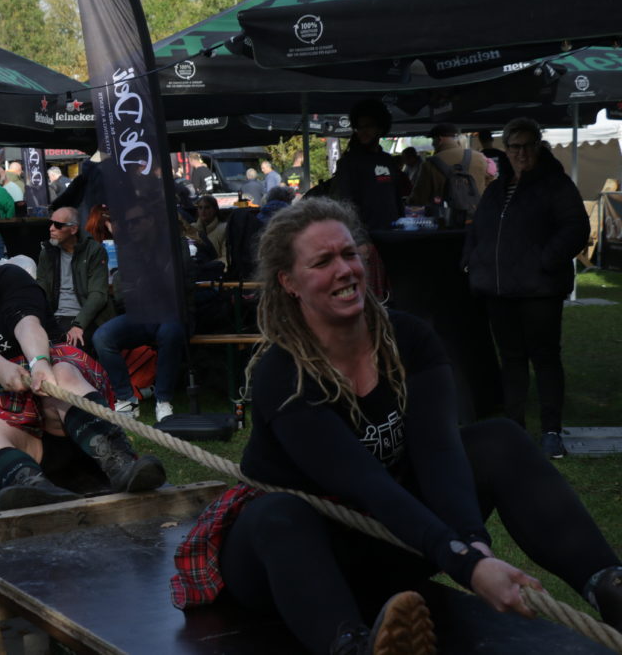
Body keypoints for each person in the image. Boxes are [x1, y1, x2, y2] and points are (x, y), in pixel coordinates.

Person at [170, 198, 622, 654]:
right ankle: (351, 646)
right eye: (322, 262)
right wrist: (464, 565)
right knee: (280, 513)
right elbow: (364, 483)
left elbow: (439, 455)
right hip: (288, 563)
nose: (344, 270)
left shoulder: (409, 340)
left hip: (383, 541)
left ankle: (609, 586)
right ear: (289, 282)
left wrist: (473, 548)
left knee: (498, 441)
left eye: (349, 254)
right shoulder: (283, 375)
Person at [0, 226, 165, 510]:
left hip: (65, 410)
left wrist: (39, 363)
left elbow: (26, 321)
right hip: (15, 424)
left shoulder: (8, 276)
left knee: (62, 373)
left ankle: (119, 464)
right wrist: (1, 368)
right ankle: (29, 485)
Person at [462, 118, 590, 459]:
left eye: (528, 145)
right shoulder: (498, 188)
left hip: (540, 290)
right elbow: (479, 228)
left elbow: (576, 227)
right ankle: (514, 429)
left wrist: (545, 260)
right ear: (506, 149)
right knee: (512, 360)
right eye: (515, 146)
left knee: (545, 359)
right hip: (500, 291)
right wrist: (473, 259)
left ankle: (551, 432)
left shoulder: (556, 184)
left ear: (538, 146)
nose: (522, 153)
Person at [92, 202, 186, 423]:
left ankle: (163, 399)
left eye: (136, 221)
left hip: (171, 312)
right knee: (102, 337)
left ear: (151, 221)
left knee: (170, 332)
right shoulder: (129, 250)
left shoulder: (174, 245)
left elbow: (179, 283)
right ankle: (126, 398)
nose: (131, 227)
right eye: (128, 223)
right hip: (142, 313)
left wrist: (146, 284)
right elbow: (122, 291)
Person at [36, 207, 114, 356]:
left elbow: (98, 295)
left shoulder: (94, 250)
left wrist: (79, 324)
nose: (51, 228)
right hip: (53, 315)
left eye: (58, 225)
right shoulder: (47, 252)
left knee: (71, 351)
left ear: (73, 229)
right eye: (50, 223)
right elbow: (41, 289)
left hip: (83, 315)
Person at [333, 99, 406, 232]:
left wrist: (402, 223)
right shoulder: (347, 163)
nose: (363, 131)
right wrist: (357, 236)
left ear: (380, 128)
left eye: (368, 126)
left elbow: (396, 197)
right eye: (359, 127)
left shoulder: (388, 160)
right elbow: (344, 203)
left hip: (393, 233)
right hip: (364, 235)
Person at [410, 123, 492, 225]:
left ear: (439, 139)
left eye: (433, 140)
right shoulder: (480, 157)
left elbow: (419, 198)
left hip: (446, 223)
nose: (433, 144)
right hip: (479, 219)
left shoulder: (429, 164)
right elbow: (491, 186)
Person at [193, 195, 228, 268]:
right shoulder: (191, 229)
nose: (203, 211)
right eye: (200, 207)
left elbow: (226, 258)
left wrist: (210, 268)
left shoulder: (224, 229)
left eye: (207, 207)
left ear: (215, 209)